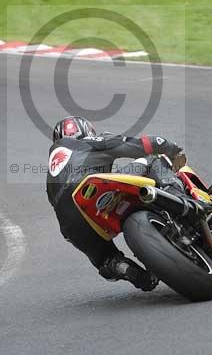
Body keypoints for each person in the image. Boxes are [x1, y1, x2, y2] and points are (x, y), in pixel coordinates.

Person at [45, 115, 185, 291]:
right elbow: (142, 145)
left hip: (70, 224)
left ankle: (121, 267)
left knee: (105, 260)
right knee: (153, 159)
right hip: (94, 186)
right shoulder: (92, 141)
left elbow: (56, 204)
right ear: (86, 131)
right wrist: (172, 149)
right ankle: (182, 202)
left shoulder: (50, 178)